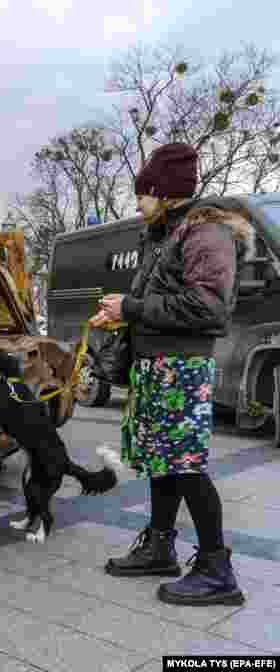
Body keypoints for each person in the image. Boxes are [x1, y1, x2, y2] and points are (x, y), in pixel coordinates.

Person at [95, 142, 253, 606]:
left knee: (186, 467)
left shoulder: (205, 233)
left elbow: (209, 307)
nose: (136, 202)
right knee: (163, 462)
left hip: (180, 367)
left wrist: (133, 307)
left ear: (163, 191)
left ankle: (217, 570)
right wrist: (124, 315)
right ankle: (161, 546)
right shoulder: (165, 233)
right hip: (157, 365)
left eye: (142, 192)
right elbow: (160, 301)